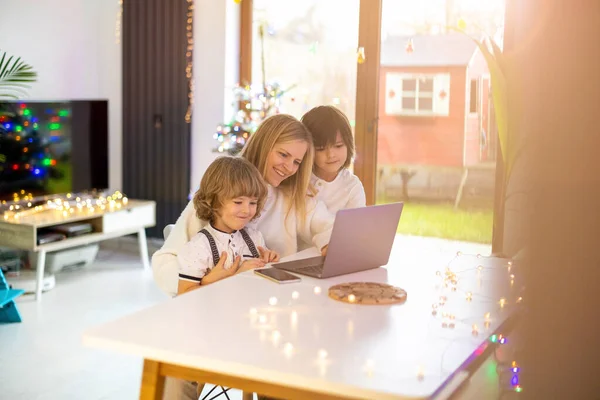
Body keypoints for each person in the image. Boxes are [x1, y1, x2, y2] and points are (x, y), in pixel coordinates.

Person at [152, 113, 333, 297]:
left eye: (296, 162)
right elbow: (164, 264)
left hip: (269, 296)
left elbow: (328, 227)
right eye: (283, 154)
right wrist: (208, 279)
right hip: (218, 302)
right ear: (264, 145)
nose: (289, 167)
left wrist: (328, 242)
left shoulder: (292, 196)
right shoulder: (221, 192)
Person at [177, 156, 279, 294]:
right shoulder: (198, 247)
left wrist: (268, 261)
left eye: (253, 203)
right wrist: (236, 276)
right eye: (238, 202)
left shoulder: (256, 238)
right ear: (212, 200)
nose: (246, 210)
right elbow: (184, 295)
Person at [301, 105, 366, 211]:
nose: (331, 155)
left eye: (338, 146)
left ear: (348, 145)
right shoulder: (301, 180)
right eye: (321, 148)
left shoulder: (352, 186)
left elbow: (357, 225)